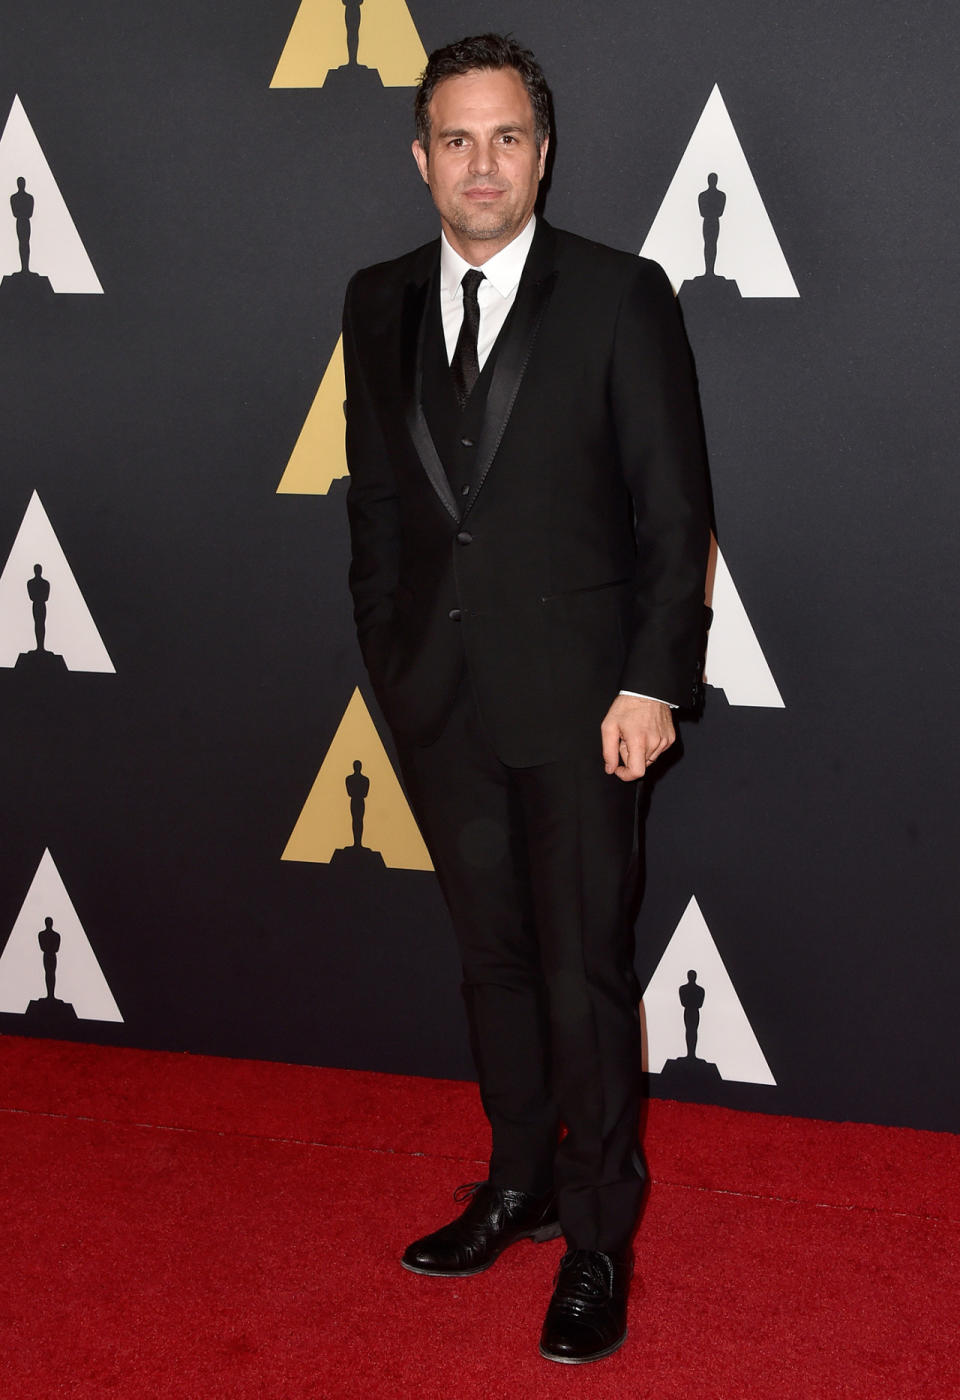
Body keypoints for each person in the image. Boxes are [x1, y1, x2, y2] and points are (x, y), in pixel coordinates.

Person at [342, 33, 710, 1365]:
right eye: (456, 139)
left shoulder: (622, 294)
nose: (480, 164)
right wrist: (390, 659)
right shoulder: (375, 299)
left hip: (585, 707)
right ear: (422, 157)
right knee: (492, 967)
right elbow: (379, 506)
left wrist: (652, 680)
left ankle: (600, 1238)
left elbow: (676, 514)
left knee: (583, 976)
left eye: (506, 138)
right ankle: (518, 1183)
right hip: (439, 699)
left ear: (542, 154)